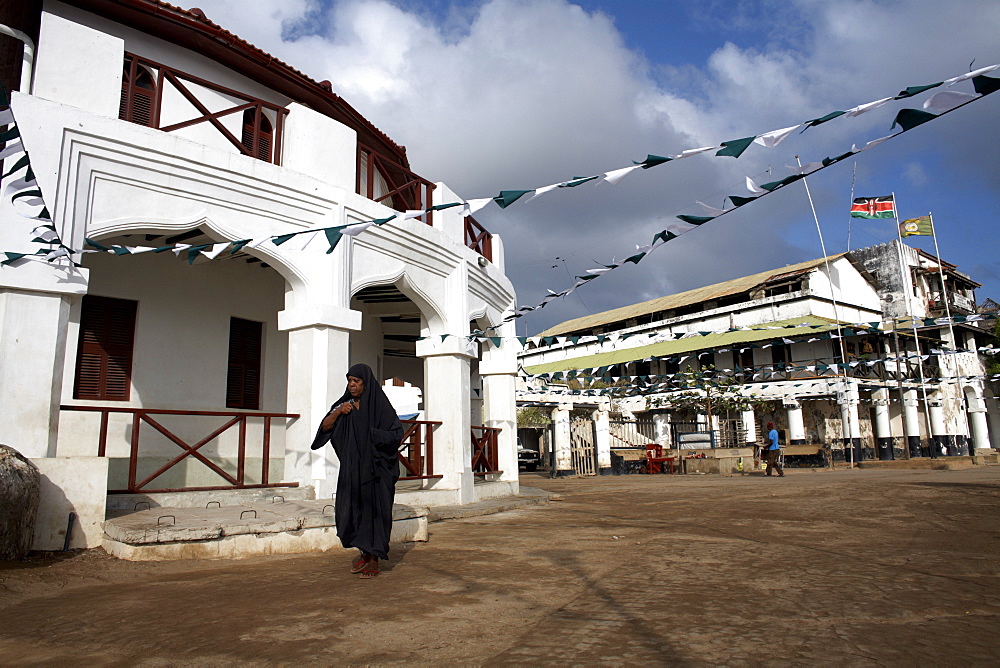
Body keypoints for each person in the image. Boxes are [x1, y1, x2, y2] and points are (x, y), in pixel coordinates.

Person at [311, 363, 403, 578]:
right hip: (353, 470)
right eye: (349, 381)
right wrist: (338, 412)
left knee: (375, 513)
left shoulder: (381, 407)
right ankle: (364, 552)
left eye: (356, 382)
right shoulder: (346, 406)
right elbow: (325, 428)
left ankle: (374, 559)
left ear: (365, 383)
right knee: (353, 511)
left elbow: (396, 434)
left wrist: (372, 435)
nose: (352, 386)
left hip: (377, 471)